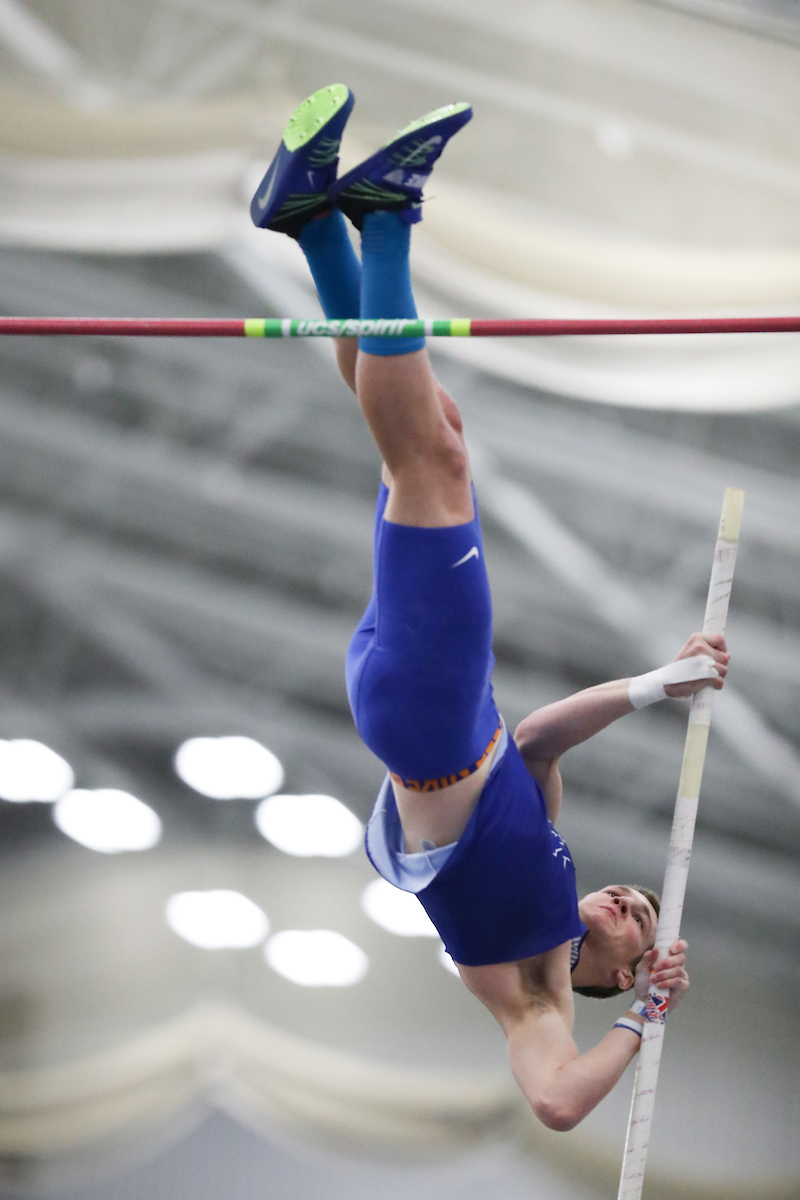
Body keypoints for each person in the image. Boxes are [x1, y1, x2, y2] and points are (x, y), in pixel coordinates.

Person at [252, 85, 730, 1131]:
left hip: (425, 711)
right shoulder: (544, 859)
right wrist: (660, 681)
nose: (623, 903)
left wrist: (642, 1020)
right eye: (635, 897)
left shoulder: (528, 992)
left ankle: (384, 218)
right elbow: (543, 737)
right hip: (423, 697)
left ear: (609, 974)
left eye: (630, 927)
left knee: (433, 462)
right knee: (427, 435)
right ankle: (314, 227)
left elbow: (558, 1103)